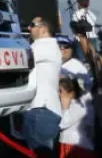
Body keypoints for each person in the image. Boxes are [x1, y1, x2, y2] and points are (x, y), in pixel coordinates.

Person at [22, 16, 63, 157]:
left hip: (41, 110)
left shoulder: (44, 45)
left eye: (32, 25)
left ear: (44, 29)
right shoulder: (49, 46)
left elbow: (21, 58)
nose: (29, 28)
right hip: (43, 111)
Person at [58, 77, 96, 157]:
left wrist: (65, 108)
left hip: (76, 147)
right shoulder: (71, 105)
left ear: (71, 93)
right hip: (69, 144)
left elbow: (63, 124)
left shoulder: (79, 107)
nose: (59, 94)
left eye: (61, 91)